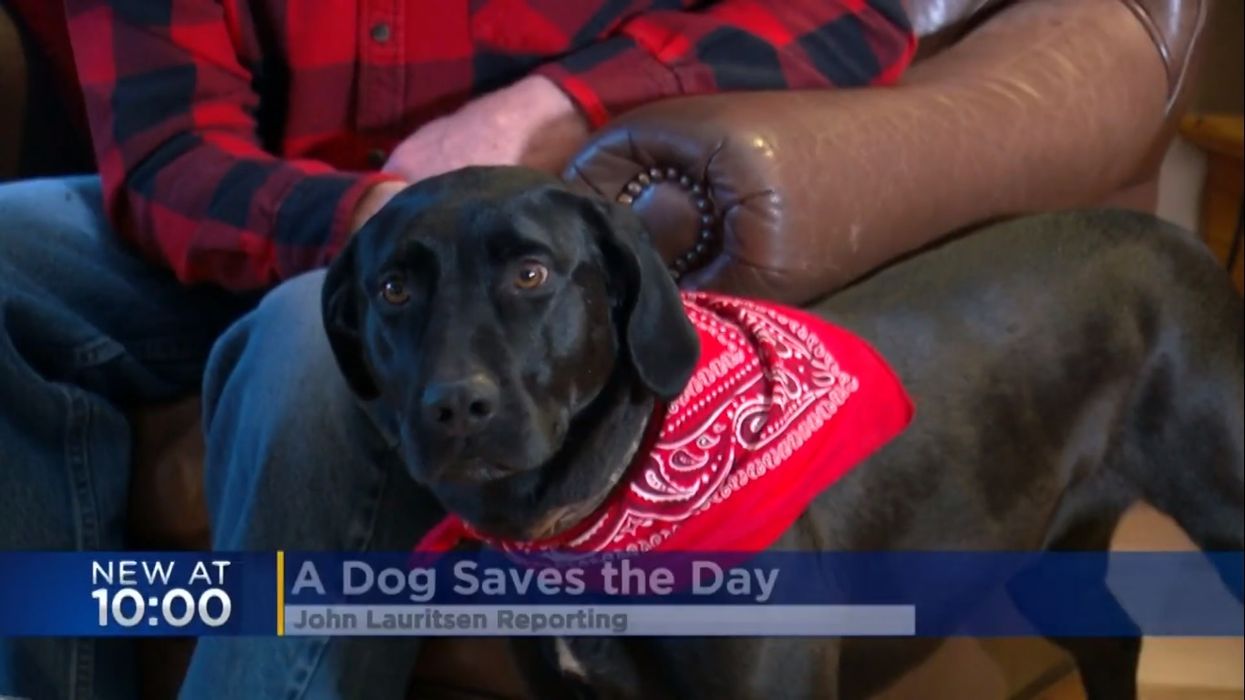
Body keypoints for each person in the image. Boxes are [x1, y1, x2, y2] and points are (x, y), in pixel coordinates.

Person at [0, 1, 916, 697]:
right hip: (299, 218)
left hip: (520, 269)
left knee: (303, 341)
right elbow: (169, 152)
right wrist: (370, 225)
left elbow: (851, 18)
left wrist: (555, 102)